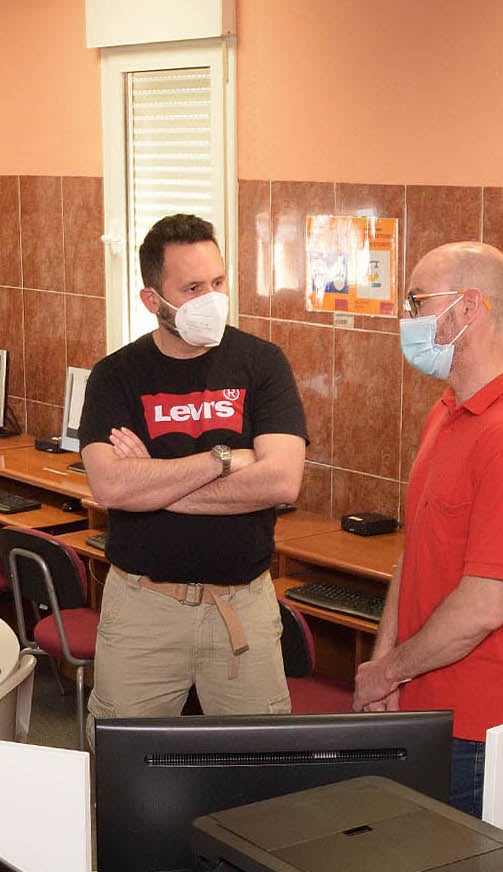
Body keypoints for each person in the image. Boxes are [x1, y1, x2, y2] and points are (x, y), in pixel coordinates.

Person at [353, 242, 503, 817]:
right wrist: (384, 669)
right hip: (422, 706)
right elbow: (417, 551)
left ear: (468, 308)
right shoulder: (450, 409)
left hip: (480, 734)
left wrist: (388, 670)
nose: (405, 318)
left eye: (416, 301)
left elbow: (483, 606)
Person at [77, 213, 309, 718]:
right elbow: (112, 487)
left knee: (258, 772)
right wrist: (223, 460)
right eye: (192, 287)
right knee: (126, 769)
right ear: (152, 300)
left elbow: (281, 479)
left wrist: (154, 481)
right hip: (143, 610)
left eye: (218, 282)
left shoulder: (262, 363)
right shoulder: (115, 376)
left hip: (242, 607)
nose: (211, 298)